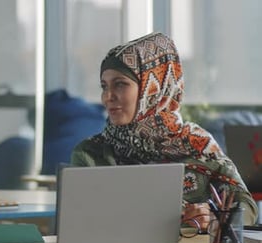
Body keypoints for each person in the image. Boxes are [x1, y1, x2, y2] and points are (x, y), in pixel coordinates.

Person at [71, 32, 258, 230]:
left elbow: (247, 208)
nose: (108, 96)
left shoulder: (197, 145)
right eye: (104, 86)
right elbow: (81, 225)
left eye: (120, 84)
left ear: (153, 89)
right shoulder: (90, 154)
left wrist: (214, 218)